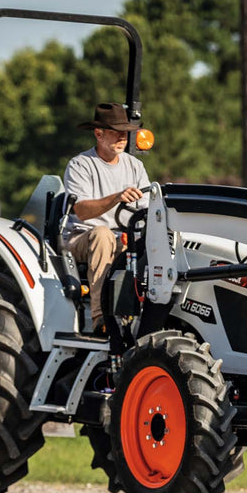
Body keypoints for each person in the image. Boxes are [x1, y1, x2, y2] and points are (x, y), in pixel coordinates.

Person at [62, 103, 151, 333]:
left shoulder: (135, 166)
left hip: (123, 239)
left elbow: (147, 208)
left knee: (154, 243)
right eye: (115, 131)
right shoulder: (81, 165)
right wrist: (115, 198)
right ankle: (101, 320)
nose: (123, 137)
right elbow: (80, 210)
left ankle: (151, 320)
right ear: (98, 133)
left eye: (125, 131)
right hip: (82, 238)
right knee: (103, 235)